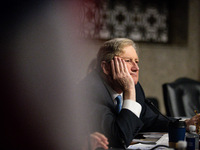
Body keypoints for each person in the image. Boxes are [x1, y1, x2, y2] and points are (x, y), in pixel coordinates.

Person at [79, 38, 200, 149]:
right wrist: (129, 91)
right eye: (128, 61)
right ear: (106, 68)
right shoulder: (89, 92)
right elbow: (119, 139)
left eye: (136, 62)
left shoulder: (134, 87)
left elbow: (149, 120)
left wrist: (185, 124)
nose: (136, 68)